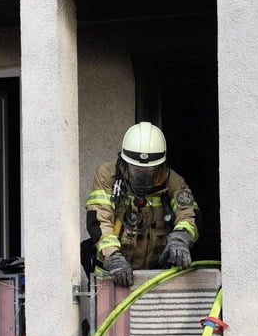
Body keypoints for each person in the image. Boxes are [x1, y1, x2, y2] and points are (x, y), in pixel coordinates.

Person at [84, 122, 201, 286]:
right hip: (112, 274)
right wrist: (113, 257)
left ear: (159, 166)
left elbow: (189, 214)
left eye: (148, 172)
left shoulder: (172, 181)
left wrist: (181, 239)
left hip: (156, 276)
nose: (142, 178)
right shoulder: (108, 176)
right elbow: (99, 219)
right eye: (136, 171)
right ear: (125, 162)